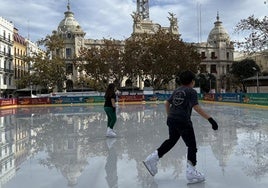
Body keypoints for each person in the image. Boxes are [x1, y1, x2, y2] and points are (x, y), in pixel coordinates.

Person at [143, 70, 218, 184]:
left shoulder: (177, 90)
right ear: (192, 81)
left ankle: (152, 159)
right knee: (191, 145)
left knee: (171, 141)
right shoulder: (191, 91)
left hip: (172, 119)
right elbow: (196, 107)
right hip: (183, 120)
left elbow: (167, 103)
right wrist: (210, 119)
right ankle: (191, 171)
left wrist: (169, 117)